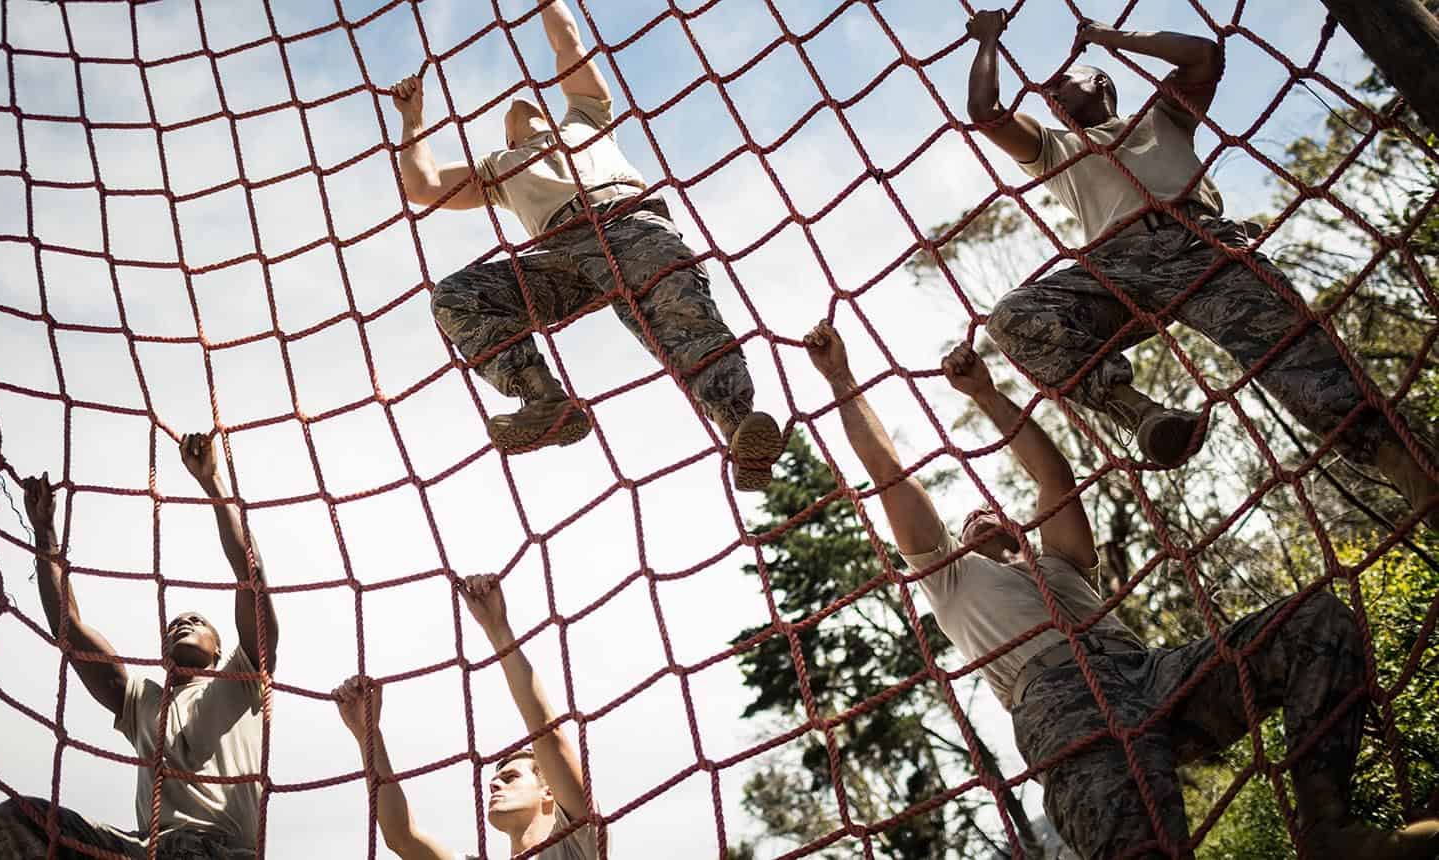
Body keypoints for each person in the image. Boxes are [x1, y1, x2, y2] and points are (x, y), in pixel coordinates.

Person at [802, 320, 1439, 859]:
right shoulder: (948, 578)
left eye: (987, 510)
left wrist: (988, 396)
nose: (976, 515)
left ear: (1014, 525)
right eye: (963, 518)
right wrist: (841, 381)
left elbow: (1053, 475)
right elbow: (888, 474)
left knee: (1313, 620)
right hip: (1062, 705)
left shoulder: (1060, 567)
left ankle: (1326, 827)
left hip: (1150, 674)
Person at [963, 9, 1439, 528]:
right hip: (1116, 265)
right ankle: (1138, 412)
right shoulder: (1053, 145)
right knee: (1013, 317)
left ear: (1101, 81)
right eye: (1047, 92)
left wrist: (1109, 37)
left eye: (1062, 82)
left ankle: (1417, 479)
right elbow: (985, 113)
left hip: (1201, 244)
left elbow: (1203, 56)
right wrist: (987, 40)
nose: (1050, 94)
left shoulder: (1160, 118)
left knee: (1303, 364)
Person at [387, 0, 784, 491]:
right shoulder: (496, 172)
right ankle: (543, 400)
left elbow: (567, 44)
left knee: (677, 313)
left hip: (627, 222)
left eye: (531, 105)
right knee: (456, 295)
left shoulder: (586, 117)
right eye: (510, 118)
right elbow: (423, 186)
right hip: (562, 252)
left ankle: (738, 428)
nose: (519, 108)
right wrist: (413, 121)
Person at [0, 433, 278, 859]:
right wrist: (44, 534)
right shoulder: (143, 700)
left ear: (219, 649)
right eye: (174, 624)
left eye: (197, 621)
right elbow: (71, 631)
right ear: (162, 654)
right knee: (18, 820)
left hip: (226, 852)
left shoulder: (242, 679)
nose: (184, 624)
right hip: (150, 852)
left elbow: (251, 576)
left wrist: (213, 484)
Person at [332, 574, 601, 859]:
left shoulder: (579, 843)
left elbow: (548, 736)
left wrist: (498, 629)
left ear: (548, 792)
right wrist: (368, 735)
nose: (495, 784)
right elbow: (401, 837)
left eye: (510, 778)